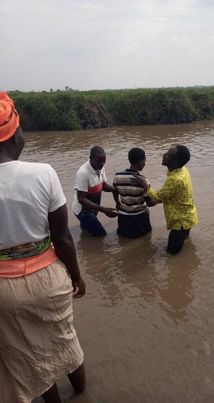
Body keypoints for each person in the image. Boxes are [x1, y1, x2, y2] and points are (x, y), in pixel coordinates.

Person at [0, 93, 86, 403]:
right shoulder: (44, 173)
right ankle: (80, 391)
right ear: (14, 135)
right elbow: (62, 238)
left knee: (28, 354)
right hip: (48, 278)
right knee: (64, 338)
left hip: (4, 290)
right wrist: (77, 277)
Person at [134, 144, 198, 254]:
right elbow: (168, 193)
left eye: (168, 155)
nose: (164, 155)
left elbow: (156, 198)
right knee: (184, 245)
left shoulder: (175, 179)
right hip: (188, 216)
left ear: (175, 161)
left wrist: (145, 185)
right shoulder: (183, 170)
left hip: (180, 223)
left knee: (171, 254)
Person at [72, 146, 118, 236]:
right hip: (83, 211)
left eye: (103, 161)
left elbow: (103, 185)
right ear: (90, 158)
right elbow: (81, 199)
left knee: (86, 232)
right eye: (98, 161)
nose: (101, 164)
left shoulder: (100, 168)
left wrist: (114, 189)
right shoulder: (83, 173)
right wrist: (104, 210)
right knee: (102, 235)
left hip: (93, 208)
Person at [113, 147, 153, 238]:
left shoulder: (117, 176)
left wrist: (118, 203)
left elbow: (114, 191)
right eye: (144, 161)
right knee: (144, 241)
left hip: (123, 217)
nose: (144, 164)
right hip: (139, 218)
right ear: (140, 161)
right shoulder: (144, 181)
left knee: (124, 239)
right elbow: (149, 203)